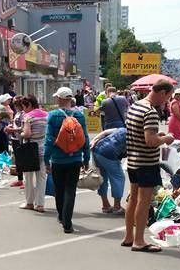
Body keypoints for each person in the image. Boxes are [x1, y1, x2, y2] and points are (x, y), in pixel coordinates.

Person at [123, 80, 175, 252]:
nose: (167, 101)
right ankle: (139, 241)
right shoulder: (150, 112)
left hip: (132, 161)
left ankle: (129, 236)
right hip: (146, 162)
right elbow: (150, 141)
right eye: (167, 97)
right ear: (162, 93)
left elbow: (142, 134)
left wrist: (156, 135)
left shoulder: (135, 106)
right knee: (144, 202)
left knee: (133, 199)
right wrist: (165, 139)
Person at [43, 87, 89, 233]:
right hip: (75, 158)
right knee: (70, 190)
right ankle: (67, 222)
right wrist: (86, 157)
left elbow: (49, 139)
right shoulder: (79, 115)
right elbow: (85, 138)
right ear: (70, 99)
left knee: (59, 189)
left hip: (58, 159)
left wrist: (46, 159)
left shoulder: (53, 115)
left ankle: (62, 216)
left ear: (60, 99)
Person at [19, 95, 48, 213]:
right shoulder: (47, 115)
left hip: (30, 151)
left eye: (24, 107)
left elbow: (26, 134)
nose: (23, 110)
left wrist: (20, 134)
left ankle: (29, 202)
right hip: (43, 149)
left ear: (29, 105)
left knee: (28, 177)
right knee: (42, 177)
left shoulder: (28, 117)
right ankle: (40, 204)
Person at [91, 126, 126, 215]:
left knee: (103, 178)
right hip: (109, 153)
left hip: (97, 148)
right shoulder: (135, 135)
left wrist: (94, 140)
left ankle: (105, 205)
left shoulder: (121, 129)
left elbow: (105, 132)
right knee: (118, 177)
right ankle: (117, 206)